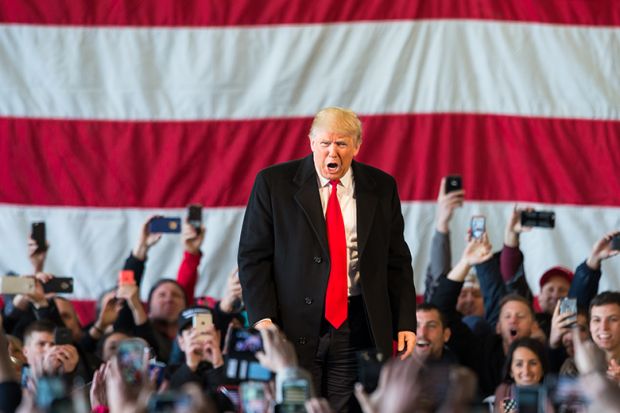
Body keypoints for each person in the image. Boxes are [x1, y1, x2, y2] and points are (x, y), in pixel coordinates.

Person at [238, 106, 417, 411]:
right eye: (325, 143)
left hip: (356, 324)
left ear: (357, 146)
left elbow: (396, 260)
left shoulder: (381, 186)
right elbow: (253, 257)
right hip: (290, 324)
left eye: (342, 143)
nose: (332, 151)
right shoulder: (274, 183)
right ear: (311, 143)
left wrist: (405, 322)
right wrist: (263, 318)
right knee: (296, 404)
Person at [493, 337, 549, 413]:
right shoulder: (504, 391)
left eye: (533, 363)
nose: (526, 371)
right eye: (519, 364)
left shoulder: (551, 394)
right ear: (511, 371)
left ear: (542, 369)